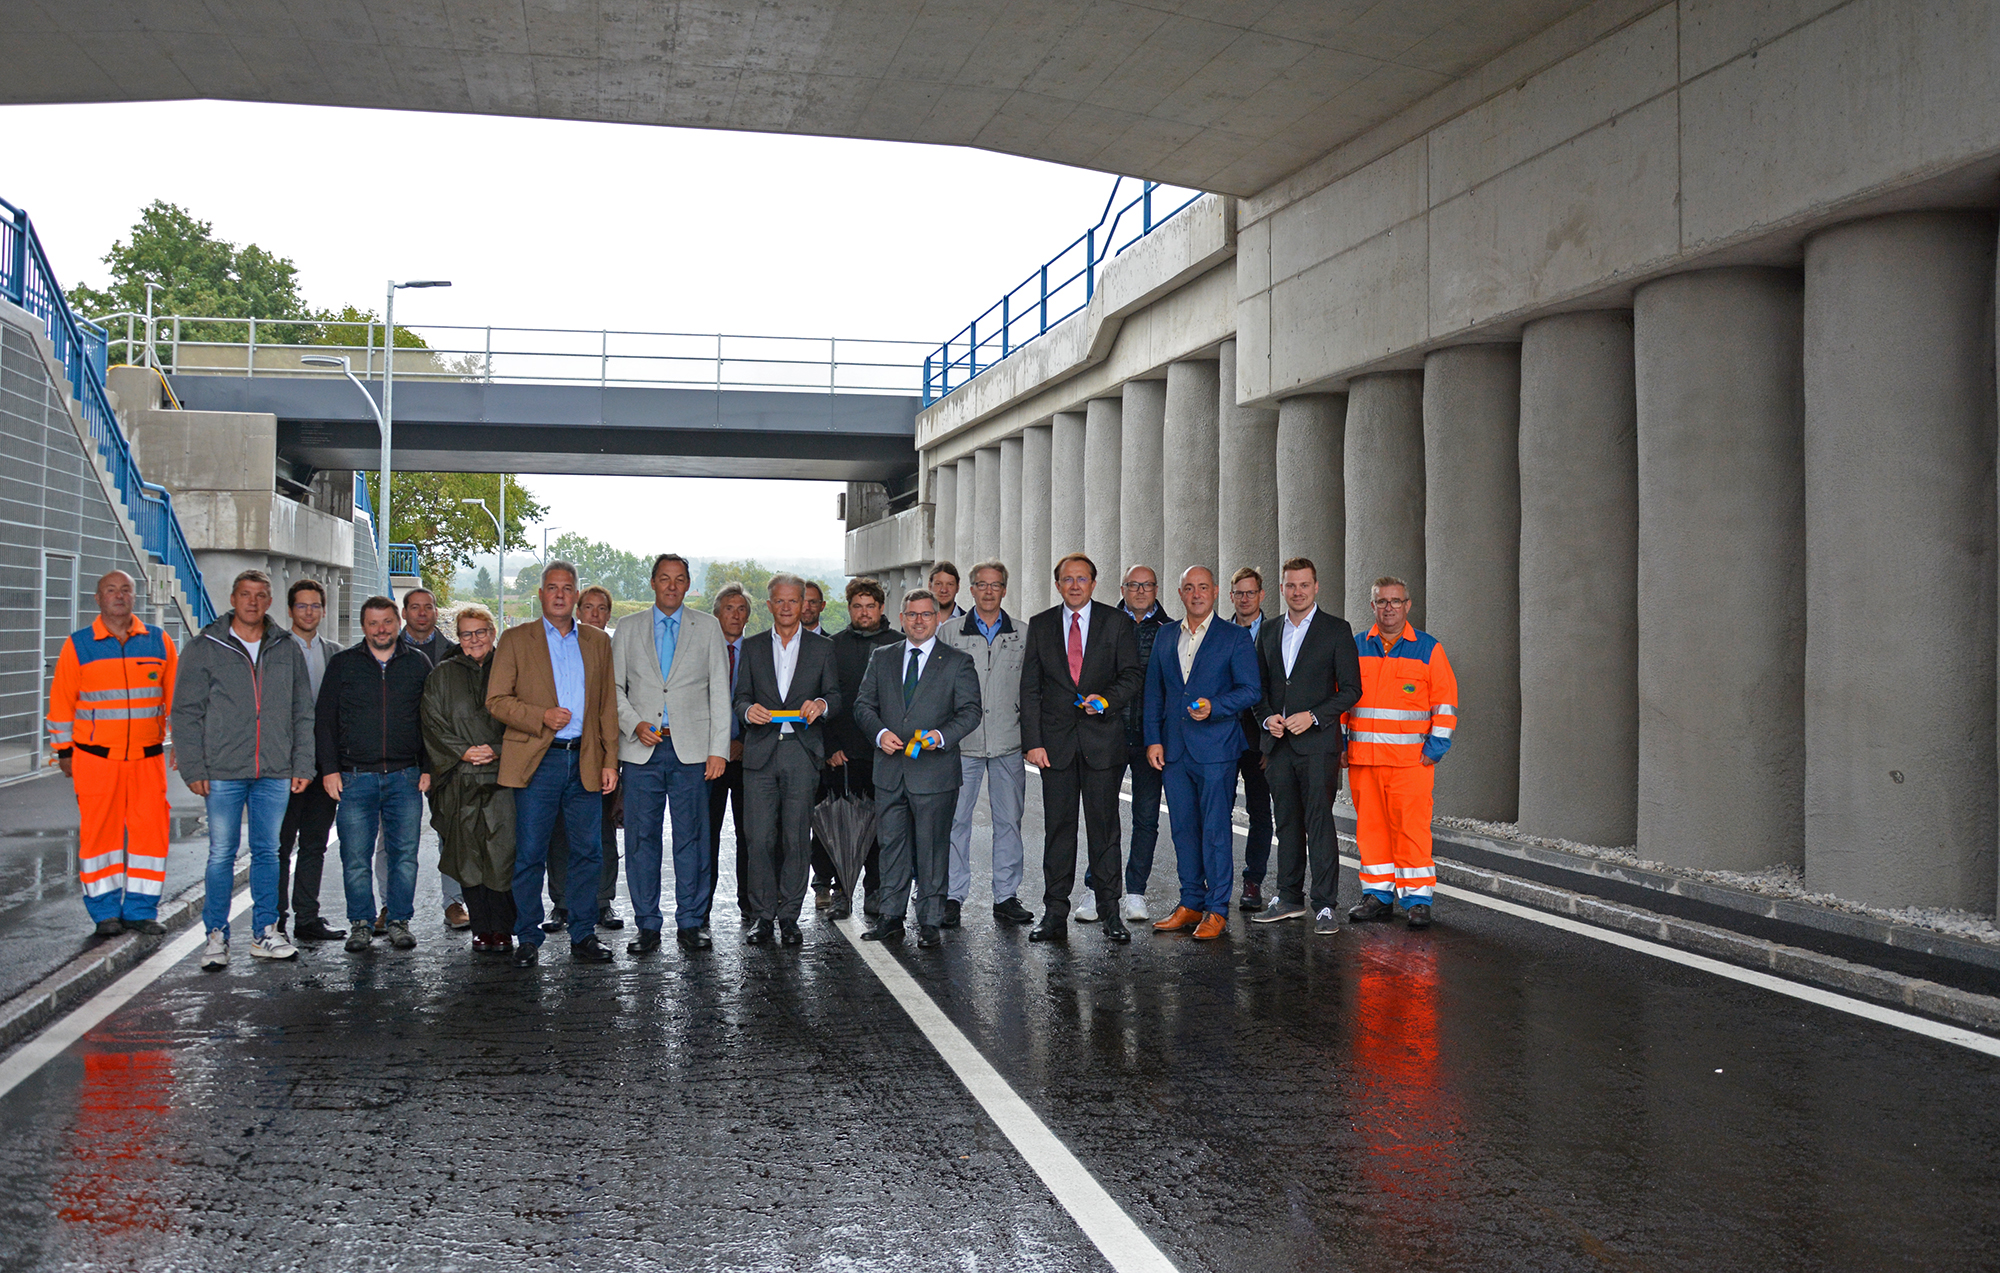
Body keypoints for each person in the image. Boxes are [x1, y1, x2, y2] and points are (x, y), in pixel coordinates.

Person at [174, 570, 314, 968]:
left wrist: (302, 763)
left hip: (274, 769)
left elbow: (302, 711)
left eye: (261, 595)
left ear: (270, 602)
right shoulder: (206, 646)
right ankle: (216, 937)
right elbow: (185, 712)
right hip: (223, 770)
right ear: (233, 599)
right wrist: (193, 767)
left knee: (269, 852)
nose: (253, 602)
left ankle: (265, 932)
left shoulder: (286, 647)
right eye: (245, 594)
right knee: (222, 854)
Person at [487, 561, 622, 966]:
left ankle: (583, 934)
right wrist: (541, 716)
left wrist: (610, 760)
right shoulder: (516, 639)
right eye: (552, 587)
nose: (560, 594)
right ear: (541, 594)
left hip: (584, 759)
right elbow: (496, 701)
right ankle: (528, 938)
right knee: (530, 853)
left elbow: (607, 707)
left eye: (567, 588)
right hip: (538, 760)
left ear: (576, 595)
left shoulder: (597, 642)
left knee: (588, 852)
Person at [47, 570, 177, 938]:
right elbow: (61, 703)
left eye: (126, 590)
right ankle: (105, 913)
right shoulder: (79, 645)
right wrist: (64, 751)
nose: (119, 596)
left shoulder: (159, 642)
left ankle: (140, 911)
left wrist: (183, 744)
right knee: (99, 837)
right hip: (95, 759)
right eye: (111, 590)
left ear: (135, 596)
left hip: (147, 759)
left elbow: (177, 700)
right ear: (98, 598)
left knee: (151, 835)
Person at [1021, 552, 1143, 944]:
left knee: (1105, 830)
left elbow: (1132, 675)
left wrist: (1106, 700)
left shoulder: (1116, 622)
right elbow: (1030, 688)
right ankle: (1054, 913)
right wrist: (1033, 742)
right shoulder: (1041, 625)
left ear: (1093, 583)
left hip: (1102, 743)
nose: (1075, 585)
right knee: (1058, 831)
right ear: (1058, 584)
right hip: (1054, 747)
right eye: (1067, 579)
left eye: (1082, 578)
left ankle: (1111, 913)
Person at [613, 554, 731, 955]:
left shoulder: (708, 627)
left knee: (692, 838)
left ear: (688, 585)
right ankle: (647, 924)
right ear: (652, 583)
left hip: (692, 752)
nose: (672, 586)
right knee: (641, 840)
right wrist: (633, 724)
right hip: (641, 749)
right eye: (664, 578)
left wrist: (718, 750)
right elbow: (613, 689)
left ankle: (691, 922)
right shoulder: (628, 628)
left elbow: (720, 692)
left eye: (679, 579)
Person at [854, 588, 983, 947]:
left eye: (926, 614)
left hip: (934, 772)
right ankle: (891, 917)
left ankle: (929, 920)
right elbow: (863, 705)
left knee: (932, 849)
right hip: (889, 771)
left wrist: (941, 736)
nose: (919, 621)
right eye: (912, 614)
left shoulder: (957, 661)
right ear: (901, 618)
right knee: (891, 847)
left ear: (938, 618)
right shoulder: (882, 657)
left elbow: (971, 712)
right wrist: (879, 733)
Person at [1145, 567, 1262, 940]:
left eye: (1203, 587)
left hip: (1216, 749)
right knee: (1183, 829)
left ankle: (1216, 909)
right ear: (1180, 593)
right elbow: (1154, 692)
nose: (1196, 594)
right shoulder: (1166, 635)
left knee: (1215, 830)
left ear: (1214, 592)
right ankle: (1191, 902)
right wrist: (1154, 739)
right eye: (1189, 588)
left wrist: (1215, 706)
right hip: (1174, 749)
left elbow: (1251, 690)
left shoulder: (1234, 637)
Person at [1249, 558, 1362, 935]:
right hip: (1279, 746)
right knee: (1286, 823)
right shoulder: (1268, 630)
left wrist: (1313, 716)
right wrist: (1267, 718)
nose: (1297, 591)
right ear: (1282, 589)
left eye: (1304, 585)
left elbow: (1351, 690)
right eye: (1290, 585)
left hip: (1316, 746)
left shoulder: (1336, 630)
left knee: (1319, 823)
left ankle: (1325, 905)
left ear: (1316, 587)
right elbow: (1258, 689)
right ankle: (1288, 898)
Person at [319, 594, 434, 954]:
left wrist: (428, 767)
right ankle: (361, 924)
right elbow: (325, 721)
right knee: (355, 857)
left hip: (405, 776)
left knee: (405, 856)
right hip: (355, 777)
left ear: (398, 623)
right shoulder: (343, 664)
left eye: (387, 622)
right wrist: (330, 769)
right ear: (363, 626)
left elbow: (430, 720)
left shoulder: (418, 664)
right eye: (373, 623)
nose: (381, 629)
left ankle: (399, 921)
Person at [1345, 576, 1458, 931]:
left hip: (1410, 763)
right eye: (1382, 601)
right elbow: (1341, 700)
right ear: (1373, 606)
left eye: (1396, 601)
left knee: (1411, 830)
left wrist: (1435, 748)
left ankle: (1417, 899)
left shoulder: (1428, 649)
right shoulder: (1355, 647)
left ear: (1408, 605)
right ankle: (1377, 896)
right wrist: (1340, 747)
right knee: (1370, 831)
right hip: (1364, 761)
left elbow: (1445, 704)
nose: (1389, 608)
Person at [734, 574, 840, 946]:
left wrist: (821, 704)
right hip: (760, 754)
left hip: (801, 752)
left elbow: (834, 696)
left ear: (804, 604)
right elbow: (740, 697)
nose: (786, 607)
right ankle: (763, 916)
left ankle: (790, 917)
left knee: (796, 839)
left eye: (793, 601)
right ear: (769, 605)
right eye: (779, 601)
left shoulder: (822, 648)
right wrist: (747, 711)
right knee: (759, 838)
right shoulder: (751, 647)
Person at [938, 561, 1033, 927]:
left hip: (1009, 741)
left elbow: (1032, 689)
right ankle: (951, 896)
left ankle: (1006, 896)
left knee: (1008, 821)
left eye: (996, 585)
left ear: (1005, 590)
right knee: (955, 821)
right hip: (963, 744)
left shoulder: (1023, 634)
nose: (989, 591)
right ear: (972, 589)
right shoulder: (949, 633)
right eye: (982, 584)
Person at [421, 607, 517, 953]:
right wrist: (462, 751)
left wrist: (497, 749)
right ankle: (481, 928)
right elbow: (431, 721)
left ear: (493, 632)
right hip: (459, 777)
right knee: (468, 855)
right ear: (458, 637)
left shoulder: (511, 669)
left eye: (480, 632)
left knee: (502, 854)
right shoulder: (442, 675)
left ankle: (503, 928)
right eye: (466, 633)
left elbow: (522, 717)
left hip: (503, 777)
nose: (474, 639)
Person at [373, 586, 464, 934]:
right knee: (392, 838)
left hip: (446, 757)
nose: (422, 613)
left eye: (428, 607)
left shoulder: (454, 653)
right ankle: (390, 905)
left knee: (450, 833)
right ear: (404, 613)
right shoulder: (385, 651)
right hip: (402, 757)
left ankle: (454, 902)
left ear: (436, 612)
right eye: (415, 607)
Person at [817, 577, 901, 919]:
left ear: (881, 608)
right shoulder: (831, 646)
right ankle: (842, 892)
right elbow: (823, 697)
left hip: (887, 753)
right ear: (849, 608)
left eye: (870, 606)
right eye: (857, 606)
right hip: (844, 755)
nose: (864, 613)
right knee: (843, 827)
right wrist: (830, 746)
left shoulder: (899, 644)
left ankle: (876, 891)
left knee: (883, 828)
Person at [547, 583, 625, 932]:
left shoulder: (614, 650)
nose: (595, 614)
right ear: (578, 611)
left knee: (602, 832)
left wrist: (614, 760)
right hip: (561, 751)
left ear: (609, 615)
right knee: (559, 832)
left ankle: (602, 901)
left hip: (604, 754)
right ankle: (561, 903)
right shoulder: (561, 647)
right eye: (589, 607)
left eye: (602, 608)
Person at [1107, 563, 1175, 923]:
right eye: (1133, 585)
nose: (1140, 591)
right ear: (1123, 589)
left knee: (1146, 818)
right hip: (1110, 735)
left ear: (1156, 589)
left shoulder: (1169, 629)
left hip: (1151, 739)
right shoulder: (1106, 624)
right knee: (1104, 818)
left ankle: (1135, 891)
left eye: (1147, 585)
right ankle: (1097, 888)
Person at [279, 578, 344, 942]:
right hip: (283, 767)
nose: (308, 612)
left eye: (315, 605)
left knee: (314, 843)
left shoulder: (335, 654)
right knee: (279, 846)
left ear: (323, 609)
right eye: (301, 606)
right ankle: (274, 920)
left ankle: (307, 918)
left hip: (324, 766)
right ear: (290, 610)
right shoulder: (274, 651)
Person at [702, 582, 752, 927]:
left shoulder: (759, 652)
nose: (735, 615)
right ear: (716, 613)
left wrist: (744, 741)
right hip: (709, 758)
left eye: (741, 609)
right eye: (729, 609)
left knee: (751, 835)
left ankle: (750, 904)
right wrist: (717, 745)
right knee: (706, 834)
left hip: (749, 756)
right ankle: (700, 908)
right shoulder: (702, 651)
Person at [1226, 566, 1276, 913]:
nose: (1245, 599)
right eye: (1239, 593)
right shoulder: (1219, 633)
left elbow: (1279, 690)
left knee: (1260, 812)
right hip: (1224, 739)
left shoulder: (1276, 634)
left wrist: (1270, 744)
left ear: (1261, 595)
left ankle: (1253, 881)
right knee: (1218, 811)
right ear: (1231, 597)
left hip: (1260, 743)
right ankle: (1215, 880)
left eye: (1251, 592)